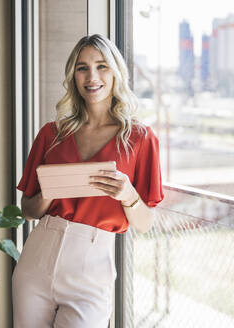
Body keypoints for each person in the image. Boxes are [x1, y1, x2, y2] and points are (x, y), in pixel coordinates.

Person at [12, 34, 164, 328]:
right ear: (73, 75)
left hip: (92, 266)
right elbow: (28, 210)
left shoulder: (140, 139)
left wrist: (129, 195)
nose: (91, 76)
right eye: (82, 67)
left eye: (102, 66)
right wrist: (49, 192)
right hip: (38, 258)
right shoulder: (51, 134)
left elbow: (145, 224)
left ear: (115, 72)